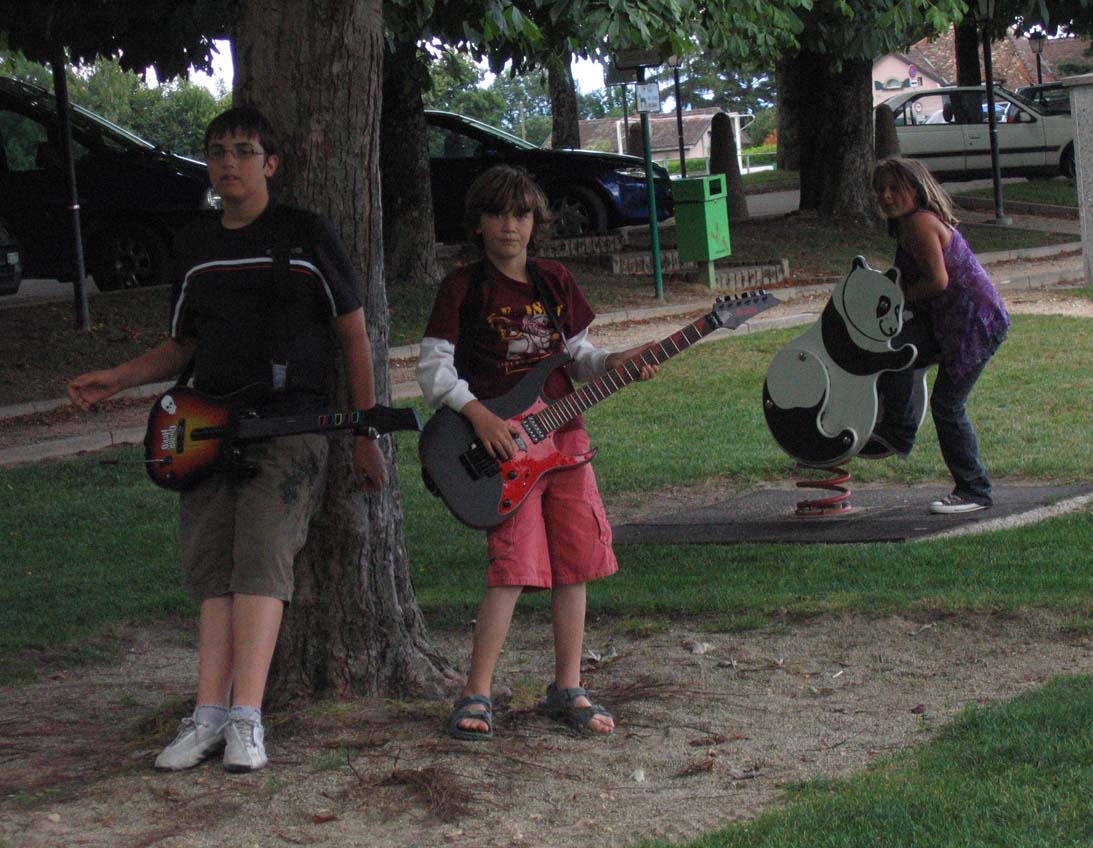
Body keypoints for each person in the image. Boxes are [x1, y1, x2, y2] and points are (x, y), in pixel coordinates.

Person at [67, 105, 386, 772]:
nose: (229, 163)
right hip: (206, 433)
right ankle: (207, 715)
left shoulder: (305, 235)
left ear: (270, 164)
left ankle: (247, 719)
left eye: (243, 151)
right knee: (213, 573)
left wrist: (365, 431)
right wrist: (117, 378)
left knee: (261, 566)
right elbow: (181, 344)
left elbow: (354, 335)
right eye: (217, 152)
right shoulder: (196, 245)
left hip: (290, 428)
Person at [416, 165, 656, 740]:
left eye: (521, 215)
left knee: (576, 560)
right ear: (477, 223)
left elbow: (578, 356)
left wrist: (613, 361)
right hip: (503, 451)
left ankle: (567, 687)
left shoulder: (554, 280)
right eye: (497, 214)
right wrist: (479, 415)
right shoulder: (464, 287)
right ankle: (476, 692)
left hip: (566, 441)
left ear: (536, 222)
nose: (510, 226)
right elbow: (433, 370)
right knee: (511, 567)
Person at [864, 156, 1010, 514]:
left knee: (948, 405)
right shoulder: (905, 225)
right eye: (880, 190)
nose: (886, 196)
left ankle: (974, 490)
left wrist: (897, 298)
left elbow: (937, 281)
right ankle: (896, 431)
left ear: (916, 189)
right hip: (948, 322)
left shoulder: (920, 223)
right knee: (896, 350)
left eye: (894, 188)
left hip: (974, 325)